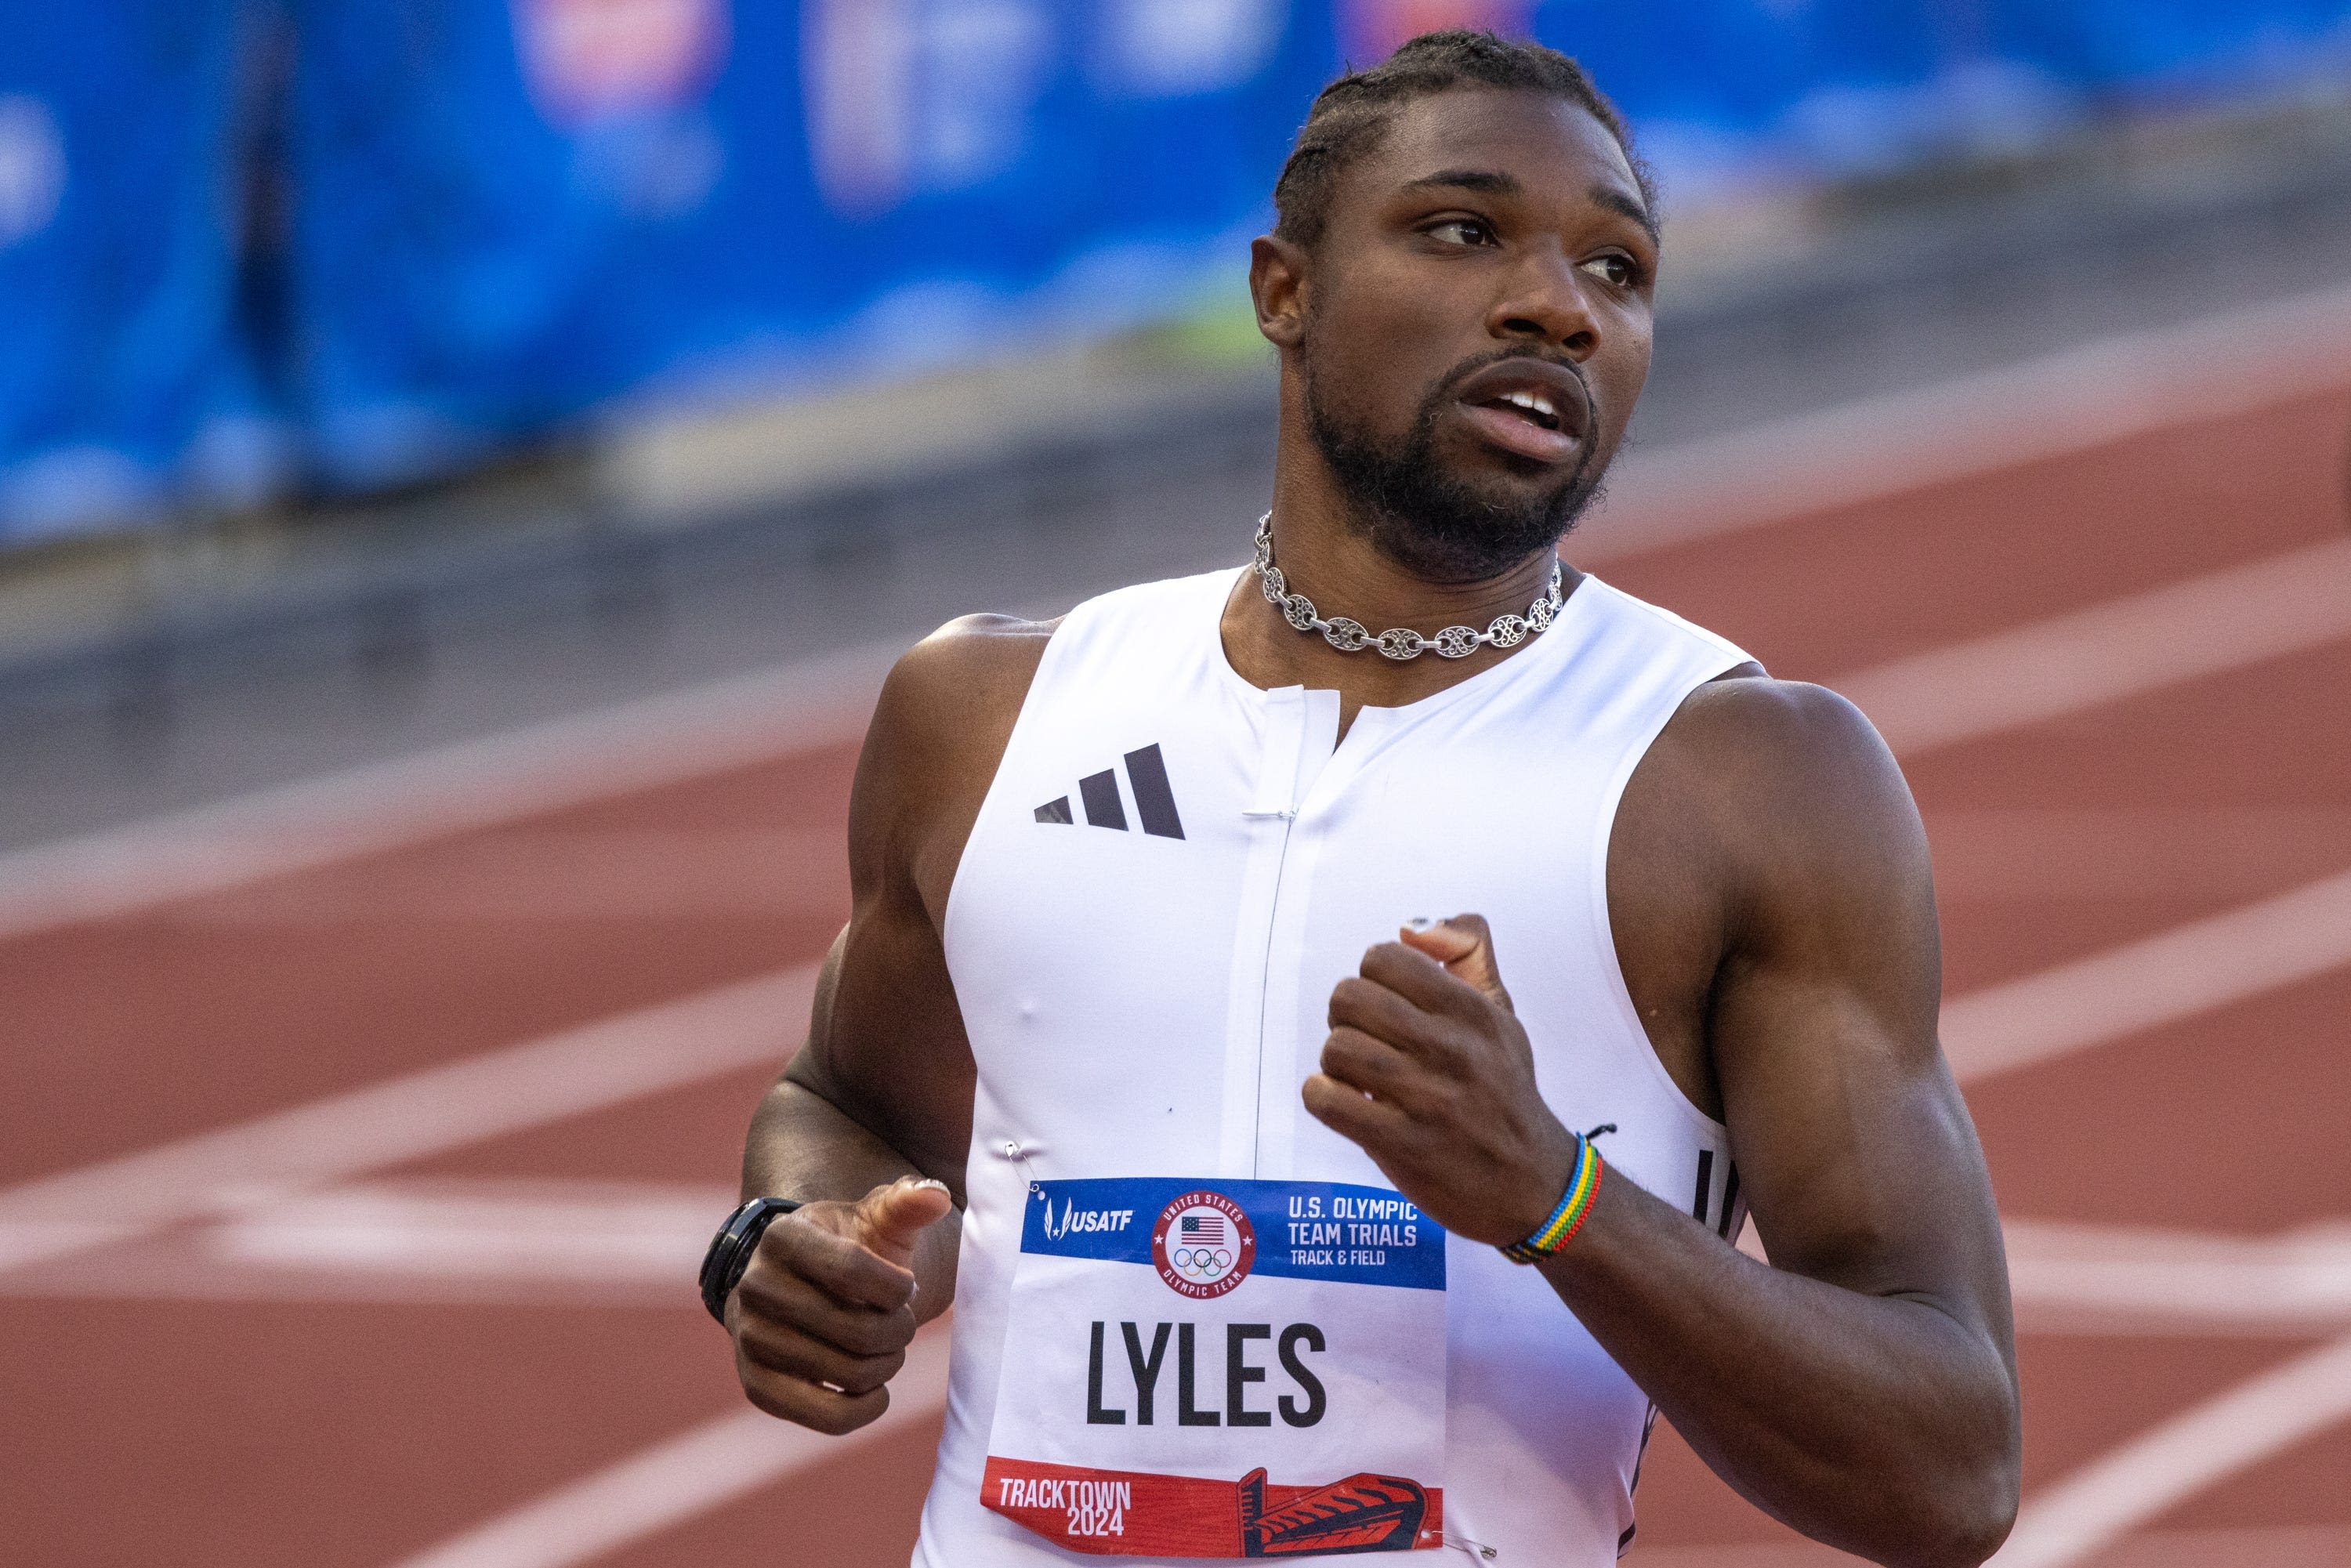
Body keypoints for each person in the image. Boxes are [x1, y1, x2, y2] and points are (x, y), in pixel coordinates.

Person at [704, 30, 2020, 1567]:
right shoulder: (987, 713)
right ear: (1285, 289)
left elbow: (1948, 1468)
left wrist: (1554, 1192)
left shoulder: (1744, 782)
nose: (1556, 306)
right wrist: (800, 1245)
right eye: (1464, 231)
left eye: (1618, 267)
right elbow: (848, 1104)